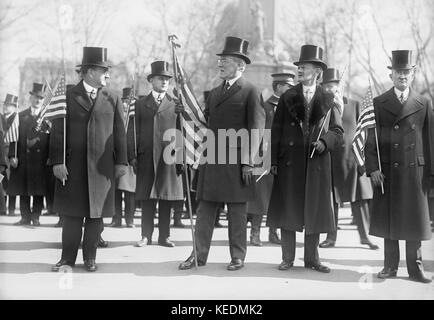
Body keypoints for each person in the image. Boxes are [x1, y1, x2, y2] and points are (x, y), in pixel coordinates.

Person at [179, 36, 265, 271]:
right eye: (220, 61)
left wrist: (248, 162)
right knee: (204, 210)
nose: (220, 64)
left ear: (240, 65)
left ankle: (238, 256)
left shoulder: (251, 91)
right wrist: (185, 111)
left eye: (225, 61)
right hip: (212, 160)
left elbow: (256, 129)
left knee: (237, 212)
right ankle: (198, 255)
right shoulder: (215, 92)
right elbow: (205, 122)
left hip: (237, 163)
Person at [267, 44, 344, 273]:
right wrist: (272, 161)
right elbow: (276, 131)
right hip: (290, 162)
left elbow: (338, 132)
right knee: (288, 209)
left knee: (315, 210)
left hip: (316, 162)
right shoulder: (287, 96)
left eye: (305, 66)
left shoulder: (329, 98)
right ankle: (287, 258)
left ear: (317, 71)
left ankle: (312, 259)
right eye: (299, 66)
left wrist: (324, 142)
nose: (300, 70)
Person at [50, 47, 127, 272]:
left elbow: (120, 132)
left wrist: (122, 161)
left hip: (103, 169)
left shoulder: (112, 97)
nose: (108, 75)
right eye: (104, 70)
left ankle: (90, 258)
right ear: (90, 71)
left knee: (96, 217)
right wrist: (57, 161)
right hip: (72, 167)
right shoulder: (66, 96)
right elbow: (57, 132)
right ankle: (67, 259)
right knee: (72, 217)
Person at [365, 50, 433, 283]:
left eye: (406, 72)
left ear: (412, 74)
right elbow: (370, 139)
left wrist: (431, 173)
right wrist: (372, 168)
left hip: (415, 172)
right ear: (391, 74)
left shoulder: (424, 103)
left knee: (414, 221)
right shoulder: (379, 102)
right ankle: (389, 267)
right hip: (388, 171)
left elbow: (430, 140)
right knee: (390, 221)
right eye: (398, 72)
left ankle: (415, 269)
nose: (402, 76)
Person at [319, 68, 378, 250]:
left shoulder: (353, 104)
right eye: (328, 86)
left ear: (340, 87)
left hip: (354, 160)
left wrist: (366, 160)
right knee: (333, 200)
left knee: (359, 200)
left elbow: (365, 131)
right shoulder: (321, 108)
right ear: (322, 88)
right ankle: (331, 237)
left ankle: (365, 236)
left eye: (335, 86)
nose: (332, 90)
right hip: (331, 159)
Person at [128, 60, 184, 248]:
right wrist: (132, 155)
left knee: (166, 198)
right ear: (151, 80)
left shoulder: (175, 104)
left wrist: (181, 159)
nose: (165, 82)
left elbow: (181, 132)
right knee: (147, 198)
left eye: (167, 79)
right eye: (160, 78)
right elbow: (132, 131)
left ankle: (164, 236)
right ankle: (146, 235)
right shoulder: (141, 104)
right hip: (146, 157)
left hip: (168, 157)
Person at [248, 69, 295, 246]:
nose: (291, 90)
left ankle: (273, 232)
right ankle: (255, 233)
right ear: (279, 86)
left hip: (284, 159)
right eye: (288, 86)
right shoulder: (266, 107)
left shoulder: (291, 108)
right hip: (264, 158)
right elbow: (258, 131)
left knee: (278, 196)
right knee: (260, 198)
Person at [8, 83, 50, 226]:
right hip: (23, 158)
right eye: (36, 97)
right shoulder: (20, 116)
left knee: (39, 190)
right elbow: (13, 137)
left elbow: (50, 139)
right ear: (31, 97)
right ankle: (25, 217)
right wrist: (12, 155)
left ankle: (36, 217)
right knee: (23, 189)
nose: (38, 100)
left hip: (40, 160)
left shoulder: (47, 118)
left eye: (41, 98)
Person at [109, 87, 136, 228]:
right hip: (116, 158)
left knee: (130, 191)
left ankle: (129, 219)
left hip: (130, 160)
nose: (127, 104)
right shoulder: (116, 116)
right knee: (116, 192)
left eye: (130, 102)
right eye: (125, 101)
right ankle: (116, 218)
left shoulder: (135, 120)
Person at [1, 94, 17, 215]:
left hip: (11, 153)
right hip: (1, 155)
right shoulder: (0, 118)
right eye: (5, 104)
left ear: (14, 107)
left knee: (12, 181)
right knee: (2, 180)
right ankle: (2, 207)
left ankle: (11, 208)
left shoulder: (16, 118)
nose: (6, 107)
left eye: (9, 105)